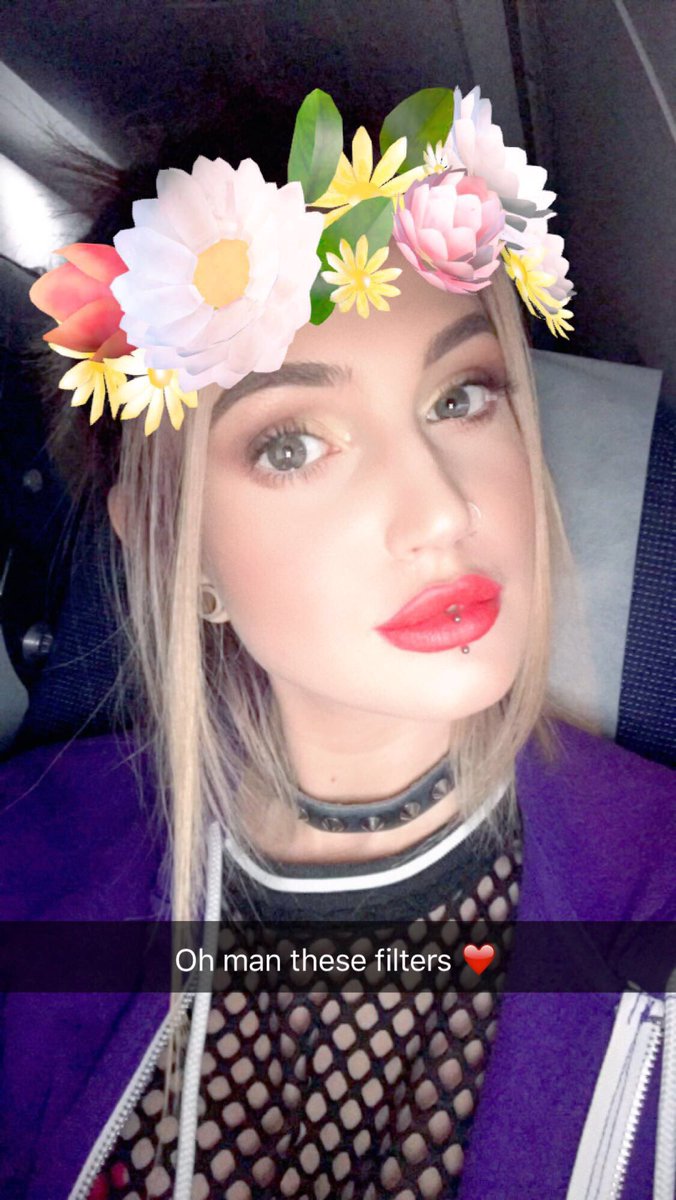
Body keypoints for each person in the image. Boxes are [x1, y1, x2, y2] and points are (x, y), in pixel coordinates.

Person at [1, 84, 674, 1200]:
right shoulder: (29, 867)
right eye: (293, 446)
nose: (441, 512)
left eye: (461, 398)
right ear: (171, 542)